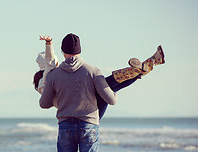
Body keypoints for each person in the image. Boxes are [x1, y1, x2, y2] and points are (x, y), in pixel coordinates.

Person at [34, 36, 165, 119]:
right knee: (108, 83)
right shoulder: (49, 77)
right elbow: (50, 62)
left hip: (83, 111)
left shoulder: (50, 77)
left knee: (108, 83)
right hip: (86, 114)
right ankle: (143, 69)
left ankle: (144, 67)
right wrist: (49, 43)